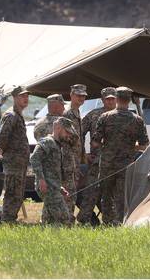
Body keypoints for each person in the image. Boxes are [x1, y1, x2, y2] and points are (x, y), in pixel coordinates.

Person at [93, 86, 149, 225]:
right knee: (122, 196)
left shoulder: (105, 117)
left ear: (116, 99)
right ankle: (121, 222)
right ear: (129, 100)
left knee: (106, 195)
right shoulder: (137, 120)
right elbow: (144, 145)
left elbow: (95, 143)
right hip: (125, 165)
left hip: (107, 163)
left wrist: (108, 147)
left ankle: (107, 222)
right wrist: (131, 147)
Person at [77, 87, 117, 225]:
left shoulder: (124, 115)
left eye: (113, 98)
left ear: (116, 99)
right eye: (107, 99)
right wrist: (83, 154)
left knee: (113, 192)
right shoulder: (94, 115)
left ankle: (113, 220)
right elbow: (78, 133)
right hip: (97, 161)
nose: (110, 101)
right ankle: (85, 219)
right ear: (102, 100)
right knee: (91, 191)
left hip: (117, 162)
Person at [30, 117, 78, 225]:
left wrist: (59, 187)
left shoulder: (57, 144)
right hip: (47, 187)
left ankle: (47, 239)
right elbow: (34, 159)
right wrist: (41, 180)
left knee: (49, 221)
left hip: (53, 186)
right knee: (64, 218)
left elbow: (51, 169)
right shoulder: (47, 142)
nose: (68, 135)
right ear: (58, 128)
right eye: (67, 132)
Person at [0, 85, 30, 222]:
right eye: (22, 96)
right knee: (12, 193)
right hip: (13, 162)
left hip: (19, 163)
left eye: (27, 96)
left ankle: (10, 220)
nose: (26, 98)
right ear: (14, 98)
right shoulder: (11, 115)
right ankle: (7, 221)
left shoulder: (18, 114)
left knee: (18, 194)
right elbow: (3, 138)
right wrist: (3, 150)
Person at [62, 83, 87, 221]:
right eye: (78, 96)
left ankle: (68, 217)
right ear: (71, 95)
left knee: (73, 189)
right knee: (68, 189)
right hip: (67, 159)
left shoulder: (77, 112)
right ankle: (66, 218)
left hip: (75, 159)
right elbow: (64, 138)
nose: (81, 99)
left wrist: (82, 158)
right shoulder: (67, 113)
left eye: (83, 96)